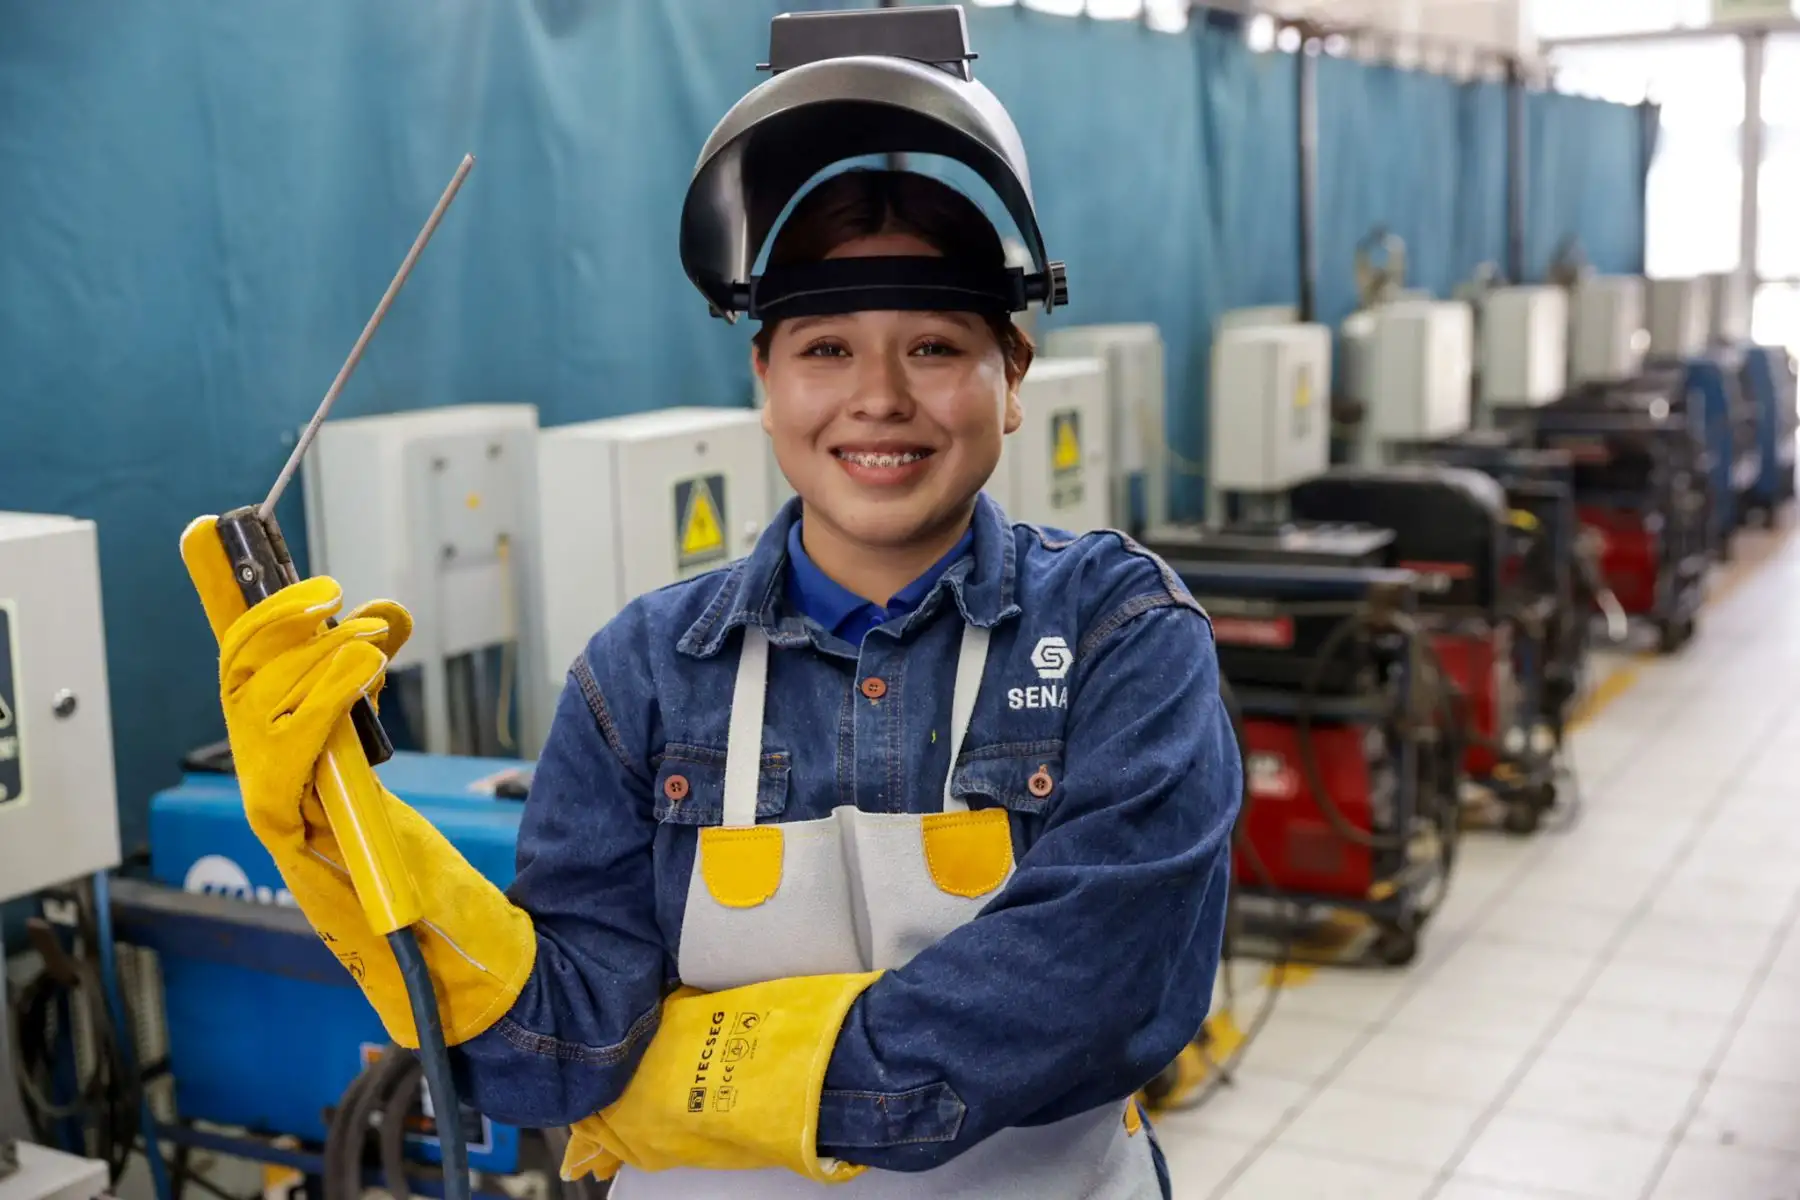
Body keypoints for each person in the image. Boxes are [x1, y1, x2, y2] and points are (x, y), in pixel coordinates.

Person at [179, 10, 1240, 1198]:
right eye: (826, 349)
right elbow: (565, 1042)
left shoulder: (1118, 632)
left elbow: (1100, 989)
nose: (878, 399)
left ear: (1012, 378)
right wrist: (353, 846)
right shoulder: (641, 673)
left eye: (935, 346)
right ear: (764, 380)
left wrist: (698, 1082)